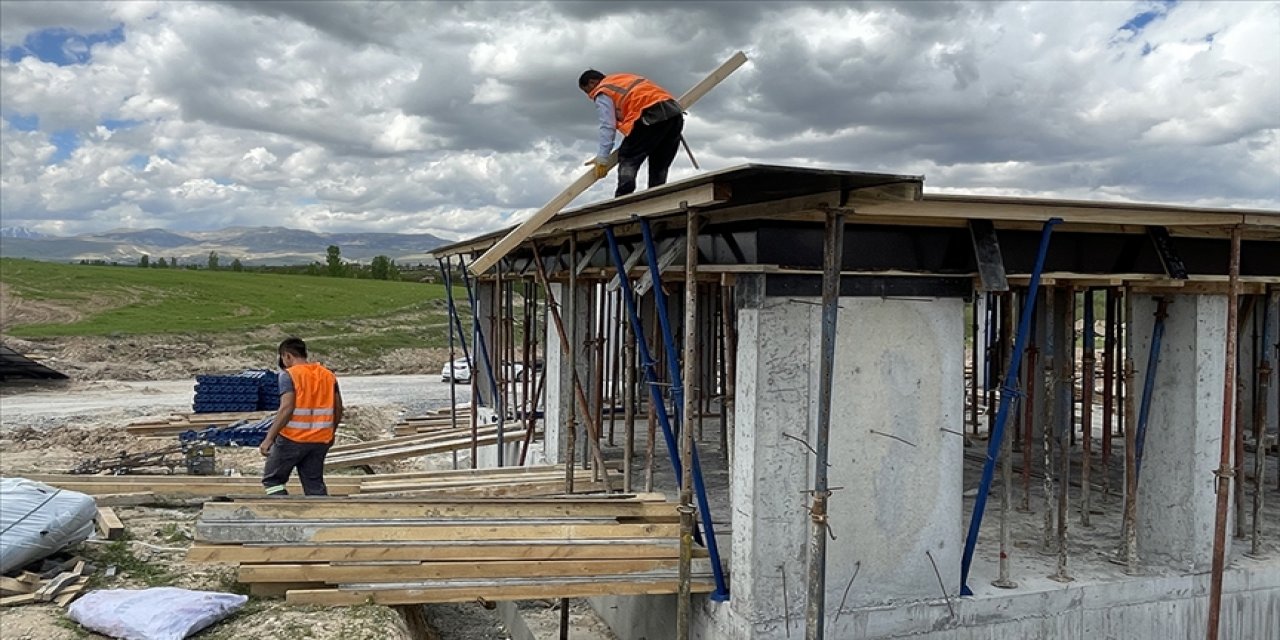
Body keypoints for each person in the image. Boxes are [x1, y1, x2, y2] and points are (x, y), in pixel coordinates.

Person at [579, 69, 684, 198]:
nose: (590, 95)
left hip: (650, 115)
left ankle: (624, 198)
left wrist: (602, 156)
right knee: (659, 162)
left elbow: (607, 124)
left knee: (628, 156)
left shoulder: (603, 91)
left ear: (592, 83)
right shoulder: (623, 79)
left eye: (587, 91)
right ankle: (657, 197)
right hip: (674, 113)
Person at [259, 337, 342, 496]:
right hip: (320, 439)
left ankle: (284, 513)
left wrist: (269, 438)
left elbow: (287, 408)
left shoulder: (289, 375)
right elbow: (338, 408)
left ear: (287, 356)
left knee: (273, 480)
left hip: (293, 439)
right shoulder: (327, 375)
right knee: (314, 483)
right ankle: (320, 516)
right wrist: (331, 432)